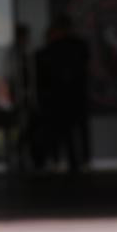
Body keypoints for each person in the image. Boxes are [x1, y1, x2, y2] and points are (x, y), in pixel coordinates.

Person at [34, 14, 90, 173]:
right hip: (69, 97)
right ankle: (80, 161)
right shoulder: (78, 47)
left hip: (60, 98)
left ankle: (71, 161)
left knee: (66, 131)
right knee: (72, 131)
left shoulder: (52, 50)